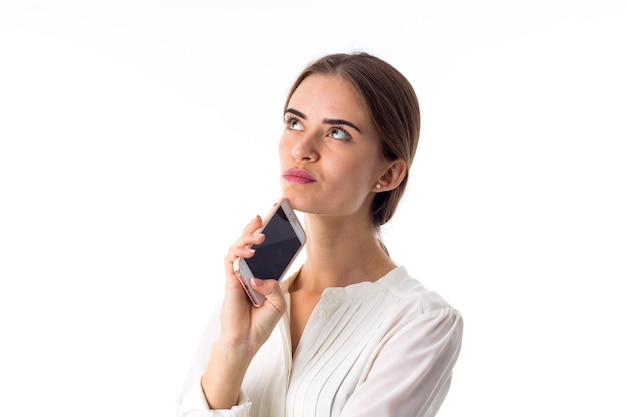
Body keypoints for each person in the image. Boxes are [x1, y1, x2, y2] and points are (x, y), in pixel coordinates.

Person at [177, 52, 463, 417]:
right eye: (294, 123)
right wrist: (235, 346)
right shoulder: (246, 302)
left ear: (388, 175)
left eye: (337, 132)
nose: (301, 149)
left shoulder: (421, 321)